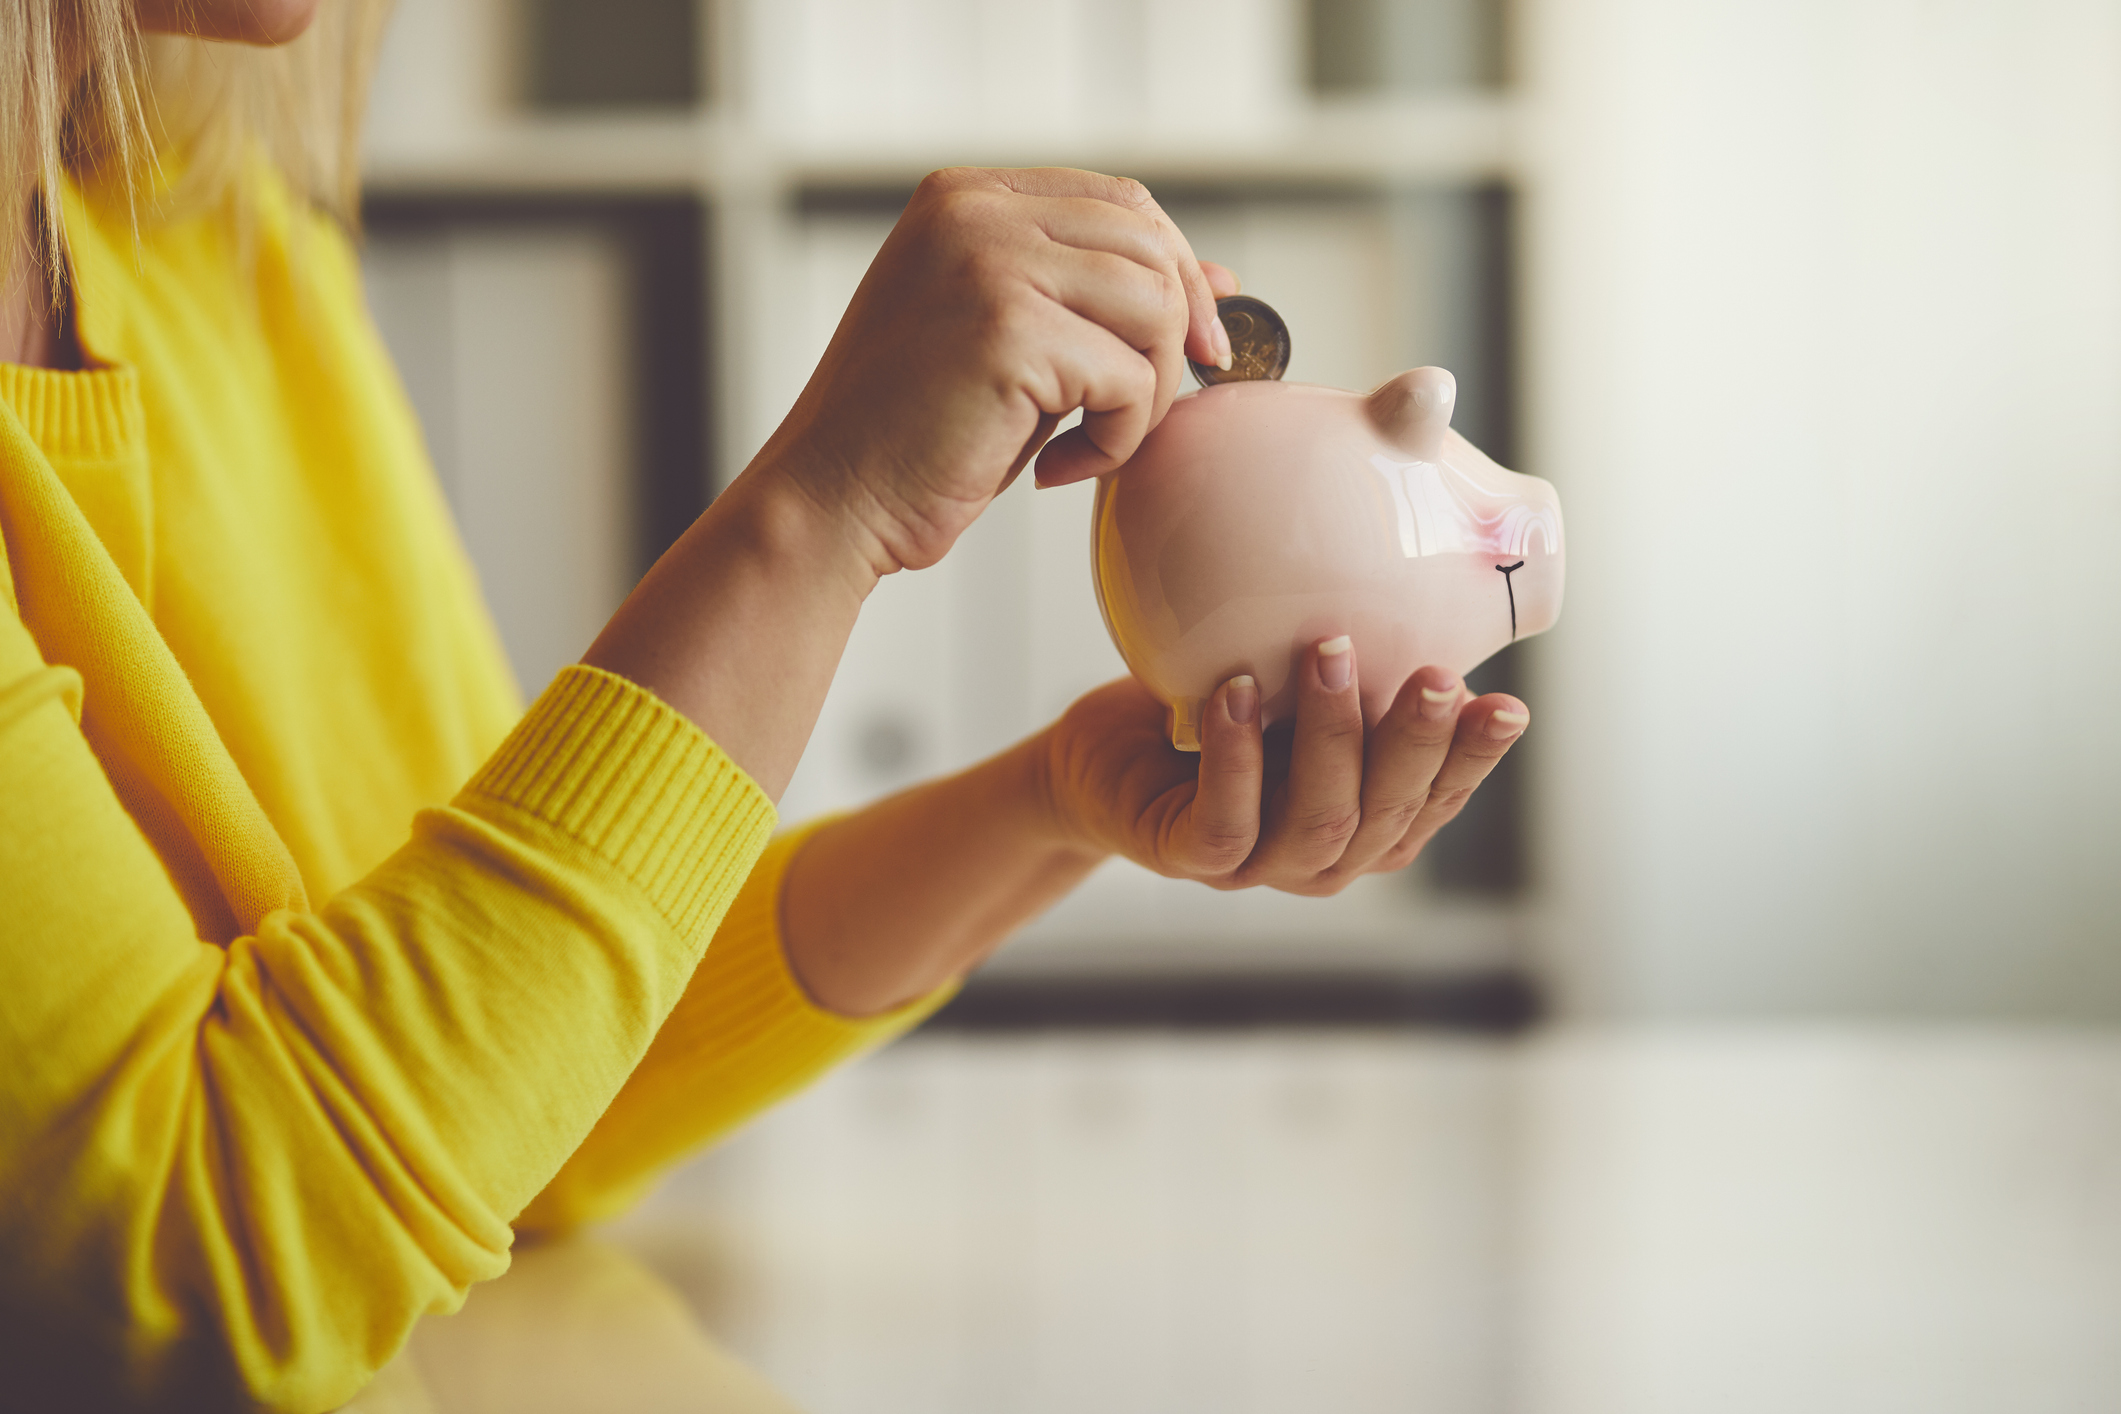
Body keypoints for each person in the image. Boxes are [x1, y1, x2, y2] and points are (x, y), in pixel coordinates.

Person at [0, 0, 1531, 1409]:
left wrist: (1060, 795)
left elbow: (518, 1100)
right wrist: (821, 513)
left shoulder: (226, 259)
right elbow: (184, 1271)